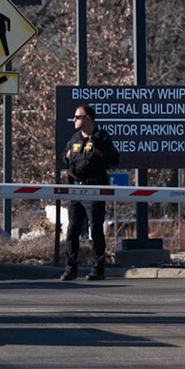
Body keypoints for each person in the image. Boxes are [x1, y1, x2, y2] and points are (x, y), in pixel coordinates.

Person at [61, 104, 121, 280]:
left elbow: (114, 159)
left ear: (88, 119)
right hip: (75, 189)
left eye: (77, 117)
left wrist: (98, 154)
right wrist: (67, 156)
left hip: (94, 188)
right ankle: (70, 268)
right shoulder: (74, 138)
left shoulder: (101, 137)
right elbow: (65, 156)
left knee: (95, 228)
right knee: (72, 230)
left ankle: (97, 269)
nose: (74, 120)